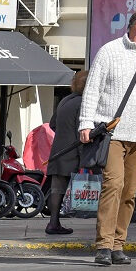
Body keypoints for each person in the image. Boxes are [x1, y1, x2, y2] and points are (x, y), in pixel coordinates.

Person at [78, 7, 136, 266]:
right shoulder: (109, 52)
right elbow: (92, 90)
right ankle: (103, 245)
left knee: (129, 193)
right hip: (113, 134)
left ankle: (118, 244)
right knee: (113, 186)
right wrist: (85, 123)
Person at [45, 69, 88, 234]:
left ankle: (53, 223)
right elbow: (84, 130)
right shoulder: (84, 103)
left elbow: (52, 124)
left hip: (58, 150)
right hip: (75, 151)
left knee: (57, 188)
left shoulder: (65, 100)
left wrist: (65, 134)